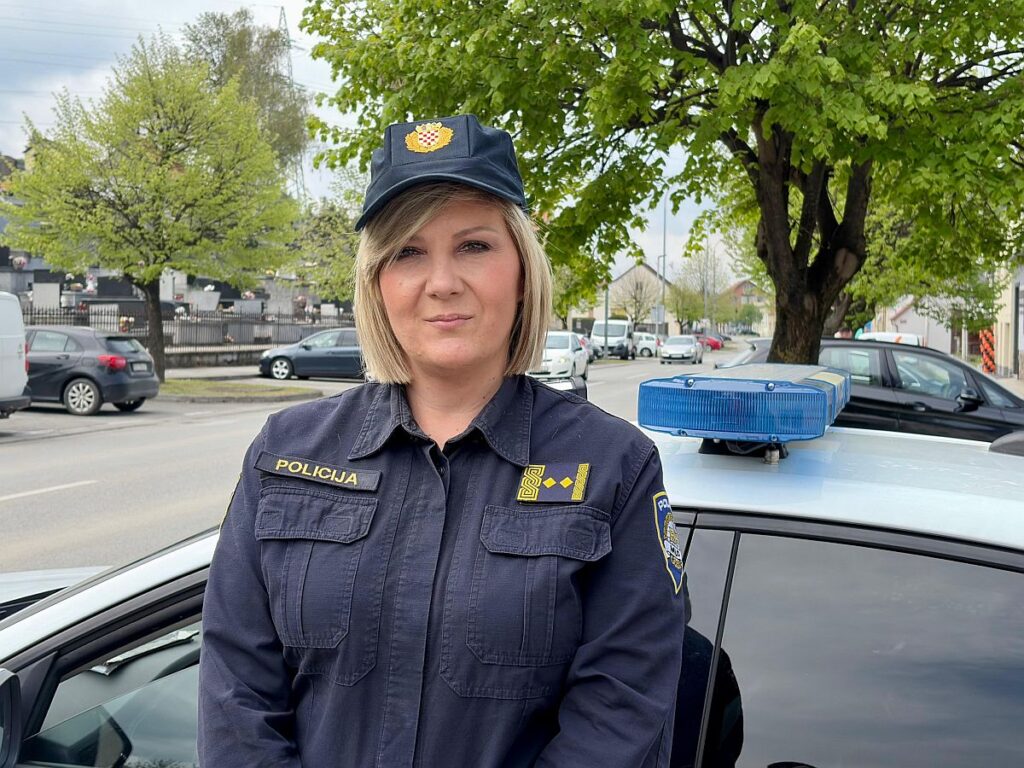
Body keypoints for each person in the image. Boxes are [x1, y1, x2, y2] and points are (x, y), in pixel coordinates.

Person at [198, 114, 685, 767]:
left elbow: (621, 712)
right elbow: (235, 699)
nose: (442, 282)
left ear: (522, 272)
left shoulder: (614, 467)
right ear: (377, 283)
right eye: (408, 252)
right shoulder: (287, 452)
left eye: (474, 246)